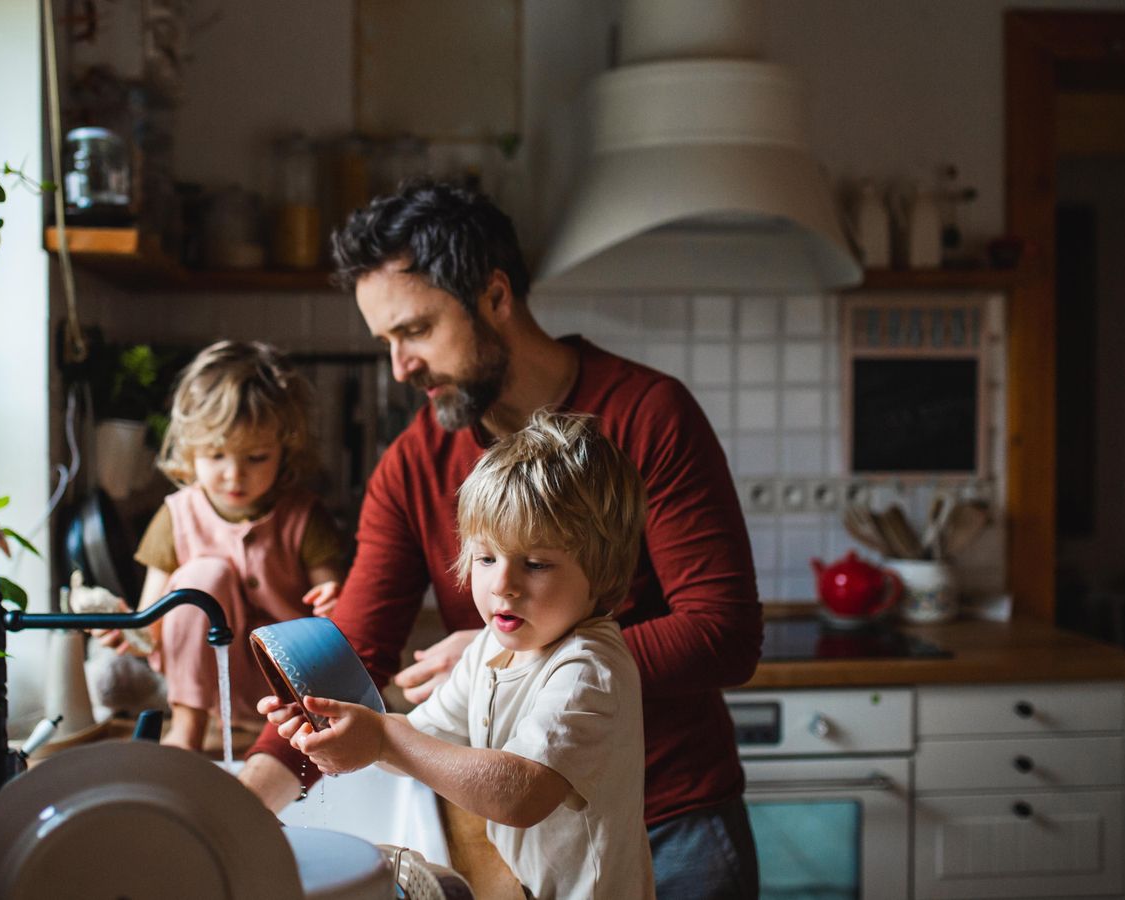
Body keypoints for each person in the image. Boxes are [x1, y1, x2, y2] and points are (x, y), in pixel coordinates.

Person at [240, 181, 763, 899]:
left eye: (416, 330)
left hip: (671, 822)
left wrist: (521, 654)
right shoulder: (414, 463)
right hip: (527, 852)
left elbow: (723, 631)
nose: (400, 367)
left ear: (494, 296)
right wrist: (238, 810)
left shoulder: (648, 415)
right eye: (386, 341)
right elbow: (353, 653)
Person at [269, 410, 654, 900]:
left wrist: (386, 739)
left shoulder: (587, 669)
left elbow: (520, 795)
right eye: (486, 557)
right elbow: (420, 745)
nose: (502, 585)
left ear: (601, 574)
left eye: (535, 564)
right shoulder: (490, 649)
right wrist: (342, 728)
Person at [99, 340, 346, 750]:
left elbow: (336, 602)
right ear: (190, 450)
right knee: (202, 576)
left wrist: (334, 600)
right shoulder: (176, 515)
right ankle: (187, 730)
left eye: (256, 458)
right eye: (216, 456)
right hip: (207, 688)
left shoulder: (303, 516)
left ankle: (282, 731)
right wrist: (128, 627)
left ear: (285, 451)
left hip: (290, 685)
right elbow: (152, 620)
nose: (234, 475)